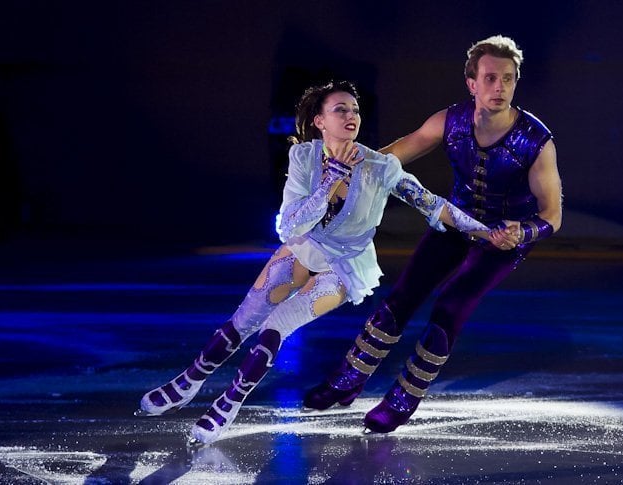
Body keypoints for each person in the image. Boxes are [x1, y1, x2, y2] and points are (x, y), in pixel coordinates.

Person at [135, 80, 503, 446]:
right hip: (302, 248)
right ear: (319, 121)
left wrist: (486, 232)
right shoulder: (304, 158)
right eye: (340, 109)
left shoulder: (381, 167)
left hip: (343, 266)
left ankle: (229, 401)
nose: (351, 116)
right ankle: (188, 381)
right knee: (243, 319)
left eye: (355, 110)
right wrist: (330, 182)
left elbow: (433, 204)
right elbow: (290, 225)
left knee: (276, 326)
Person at [303, 35, 563, 433]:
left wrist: (523, 231)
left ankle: (405, 396)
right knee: (403, 296)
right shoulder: (450, 119)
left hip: (501, 239)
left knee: (450, 306)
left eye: (508, 79)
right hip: (455, 223)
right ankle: (348, 378)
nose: (500, 88)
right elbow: (396, 153)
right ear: (471, 83)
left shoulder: (535, 140)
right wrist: (350, 164)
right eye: (491, 78)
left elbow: (553, 215)